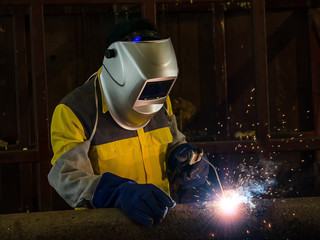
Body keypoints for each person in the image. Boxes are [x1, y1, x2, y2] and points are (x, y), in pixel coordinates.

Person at [48, 18, 209, 227]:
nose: (152, 97)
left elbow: (173, 143)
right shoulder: (75, 110)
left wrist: (183, 159)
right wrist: (117, 192)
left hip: (161, 223)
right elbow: (66, 177)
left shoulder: (160, 99)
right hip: (108, 229)